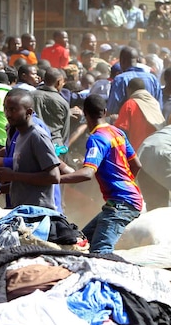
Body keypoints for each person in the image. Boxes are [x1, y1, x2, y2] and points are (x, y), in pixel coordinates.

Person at [60, 94, 143, 253]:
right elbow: (137, 165)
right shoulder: (117, 132)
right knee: (82, 242)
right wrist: (125, 183)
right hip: (126, 198)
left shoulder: (97, 138)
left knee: (100, 251)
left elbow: (87, 173)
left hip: (121, 202)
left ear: (85, 114)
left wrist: (55, 180)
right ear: (105, 112)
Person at [0, 89, 61, 209]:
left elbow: (53, 176)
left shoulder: (37, 136)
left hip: (38, 212)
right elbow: (25, 181)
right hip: (22, 209)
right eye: (6, 109)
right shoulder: (19, 134)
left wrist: (13, 176)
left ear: (29, 112)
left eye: (13, 110)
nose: (8, 114)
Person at [107, 46, 162, 115]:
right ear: (137, 59)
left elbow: (112, 109)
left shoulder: (120, 79)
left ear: (122, 61)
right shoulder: (152, 78)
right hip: (149, 122)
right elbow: (159, 105)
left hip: (126, 123)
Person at [114, 78, 165, 151]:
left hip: (136, 151)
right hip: (155, 149)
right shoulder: (154, 103)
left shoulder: (129, 104)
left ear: (129, 90)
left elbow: (120, 131)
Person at [31, 69, 70, 150]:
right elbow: (65, 132)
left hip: (32, 143)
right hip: (55, 146)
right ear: (59, 82)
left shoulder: (29, 96)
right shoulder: (62, 102)